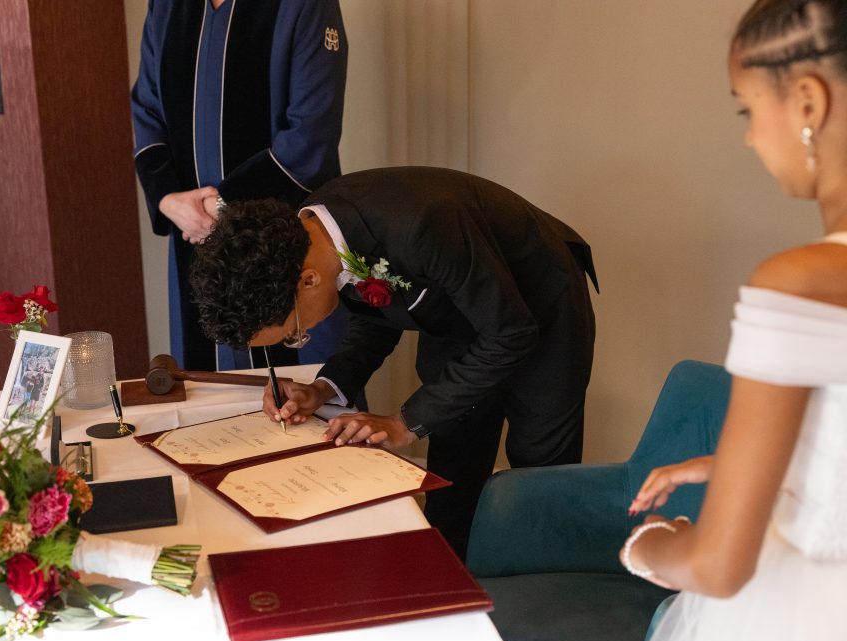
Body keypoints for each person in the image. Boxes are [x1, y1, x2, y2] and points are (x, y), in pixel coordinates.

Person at [189, 166, 599, 557]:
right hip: (455, 313)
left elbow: (510, 333)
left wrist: (404, 423)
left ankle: (543, 583)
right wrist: (322, 389)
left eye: (294, 332)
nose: (300, 336)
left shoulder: (423, 224)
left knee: (539, 472)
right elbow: (376, 316)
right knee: (454, 461)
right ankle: (453, 581)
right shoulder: (308, 239)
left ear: (308, 280)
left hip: (542, 303)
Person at [623, 1, 847, 641]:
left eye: (747, 110)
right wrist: (737, 465)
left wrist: (651, 544)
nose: (750, 138)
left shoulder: (798, 284)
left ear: (807, 101)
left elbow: (719, 567)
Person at [130, 0, 349, 371]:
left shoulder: (303, 5)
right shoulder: (167, 6)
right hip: (192, 229)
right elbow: (146, 111)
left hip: (285, 232)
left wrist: (223, 206)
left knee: (304, 384)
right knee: (208, 382)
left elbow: (312, 129)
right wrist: (167, 198)